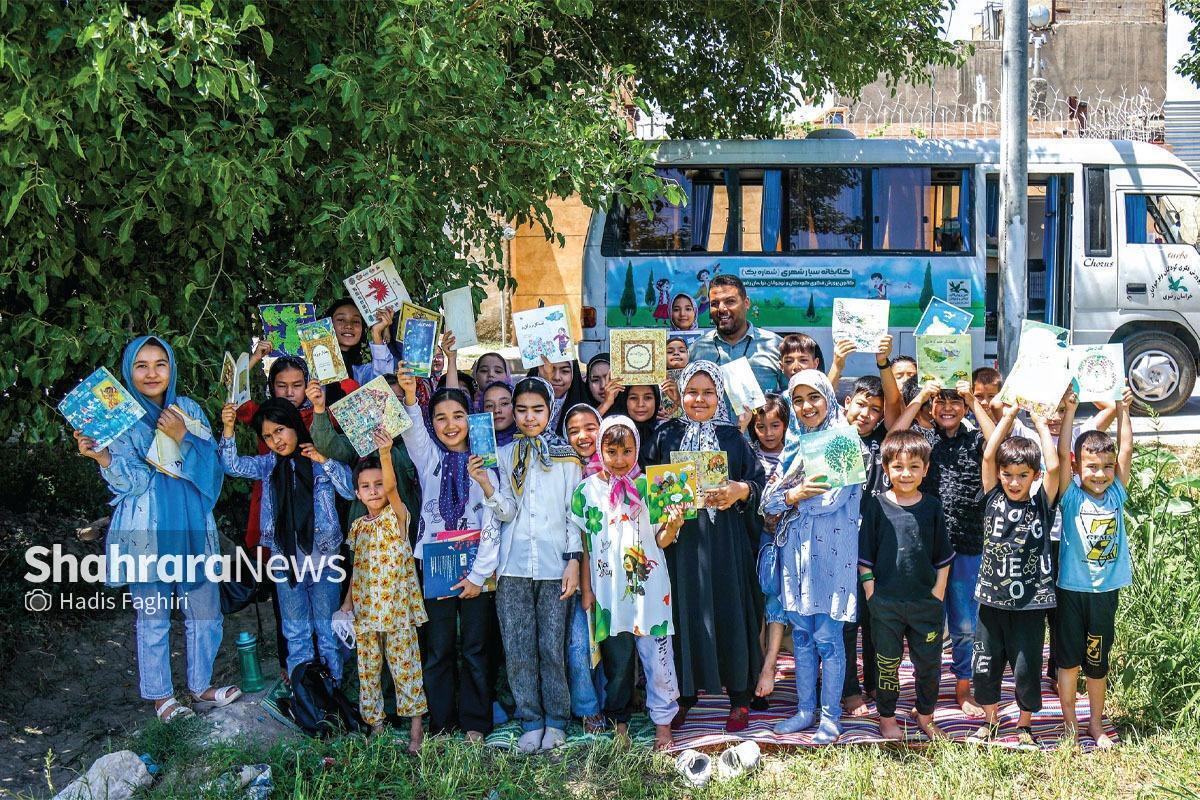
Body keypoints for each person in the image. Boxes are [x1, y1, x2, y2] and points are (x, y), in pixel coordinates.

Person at [75, 336, 235, 722]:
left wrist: (181, 437)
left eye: (160, 364)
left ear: (172, 368)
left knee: (205, 611)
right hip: (147, 531)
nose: (151, 373)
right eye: (141, 365)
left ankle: (200, 687)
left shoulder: (190, 409)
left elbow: (214, 472)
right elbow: (129, 482)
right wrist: (103, 456)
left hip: (192, 524)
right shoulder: (120, 419)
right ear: (129, 372)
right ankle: (162, 697)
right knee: (154, 617)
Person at [644, 361, 766, 733]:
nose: (699, 399)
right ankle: (683, 695)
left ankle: (741, 697)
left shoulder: (733, 437)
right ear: (680, 394)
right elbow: (651, 487)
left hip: (726, 541)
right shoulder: (665, 435)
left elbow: (757, 482)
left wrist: (738, 490)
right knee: (685, 612)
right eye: (692, 391)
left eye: (708, 392)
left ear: (719, 396)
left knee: (731, 609)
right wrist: (668, 508)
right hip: (681, 543)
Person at [478, 376, 583, 753]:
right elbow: (506, 511)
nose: (528, 417)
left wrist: (573, 561)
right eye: (521, 410)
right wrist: (488, 487)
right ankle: (530, 719)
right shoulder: (505, 456)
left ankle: (557, 718)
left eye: (537, 409)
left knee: (552, 645)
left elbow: (575, 514)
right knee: (518, 646)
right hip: (514, 566)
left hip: (556, 565)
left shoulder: (568, 458)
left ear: (550, 409)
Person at [395, 372, 502, 741]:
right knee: (439, 649)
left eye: (457, 416)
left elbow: (493, 520)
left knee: (475, 647)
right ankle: (441, 722)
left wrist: (478, 575)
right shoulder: (429, 459)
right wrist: (410, 395)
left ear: (470, 419)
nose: (449, 425)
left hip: (478, 567)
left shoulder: (485, 462)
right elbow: (412, 432)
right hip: (437, 564)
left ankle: (475, 721)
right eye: (440, 417)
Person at [219, 398, 354, 688]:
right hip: (284, 561)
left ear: (294, 425)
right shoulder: (268, 465)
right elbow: (231, 465)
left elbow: (349, 490)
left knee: (326, 630)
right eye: (268, 436)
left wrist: (326, 462)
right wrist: (228, 428)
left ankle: (334, 690)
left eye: (280, 430)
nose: (275, 440)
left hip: (324, 559)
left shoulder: (317, 459)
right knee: (296, 632)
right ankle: (304, 694)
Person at [761, 371, 862, 743]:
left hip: (831, 555)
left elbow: (829, 501)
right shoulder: (792, 446)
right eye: (798, 400)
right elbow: (766, 502)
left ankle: (830, 717)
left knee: (828, 637)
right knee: (801, 635)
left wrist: (792, 496)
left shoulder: (846, 442)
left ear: (828, 398)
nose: (806, 407)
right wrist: (793, 494)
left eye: (814, 397)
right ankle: (805, 711)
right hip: (795, 556)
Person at [573, 416, 683, 750]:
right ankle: (619, 720)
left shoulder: (655, 486)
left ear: (636, 449)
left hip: (650, 593)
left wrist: (675, 524)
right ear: (600, 450)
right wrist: (588, 589)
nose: (619, 459)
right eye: (611, 451)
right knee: (617, 663)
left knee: (658, 660)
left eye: (626, 451)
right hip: (609, 595)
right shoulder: (586, 491)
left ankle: (663, 723)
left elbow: (662, 540)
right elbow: (585, 545)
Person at [895, 379, 996, 715]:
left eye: (956, 402)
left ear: (966, 407)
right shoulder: (923, 441)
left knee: (966, 624)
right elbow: (894, 437)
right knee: (927, 623)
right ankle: (928, 689)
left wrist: (973, 398)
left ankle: (963, 688)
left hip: (969, 544)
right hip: (929, 548)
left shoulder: (976, 440)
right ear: (931, 408)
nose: (948, 407)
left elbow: (998, 440)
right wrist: (921, 396)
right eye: (941, 401)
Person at [967, 403, 1060, 746]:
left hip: (1030, 605)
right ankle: (989, 722)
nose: (1014, 481)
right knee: (986, 664)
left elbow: (1053, 465)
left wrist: (1037, 418)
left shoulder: (1041, 504)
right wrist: (1007, 415)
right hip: (991, 600)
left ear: (1033, 476)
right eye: (1009, 474)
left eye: (1023, 475)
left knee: (1026, 667)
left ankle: (1024, 726)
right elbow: (989, 456)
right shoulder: (992, 497)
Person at [858, 430, 954, 741]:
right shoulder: (876, 506)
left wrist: (937, 595)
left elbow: (943, 558)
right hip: (885, 604)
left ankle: (925, 715)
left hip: (925, 605)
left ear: (926, 469)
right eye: (898, 467)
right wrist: (872, 593)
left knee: (928, 664)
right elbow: (865, 558)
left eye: (914, 466)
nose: (906, 474)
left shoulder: (932, 507)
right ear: (885, 469)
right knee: (887, 664)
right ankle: (887, 717)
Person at [1054, 386, 1134, 748]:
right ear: (1077, 466)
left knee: (1096, 662)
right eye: (1091, 467)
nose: (1099, 474)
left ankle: (1096, 723)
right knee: (1068, 662)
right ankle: (1070, 721)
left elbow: (1127, 450)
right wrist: (1070, 411)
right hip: (1071, 590)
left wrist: (1123, 409)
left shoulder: (1117, 491)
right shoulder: (1070, 494)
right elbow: (1061, 451)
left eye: (1106, 467)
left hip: (1104, 594)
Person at [340, 431, 428, 749]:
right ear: (358, 493)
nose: (374, 491)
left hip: (397, 609)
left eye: (378, 485)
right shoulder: (358, 526)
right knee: (368, 670)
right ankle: (376, 726)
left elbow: (391, 488)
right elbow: (357, 569)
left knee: (406, 666)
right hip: (365, 611)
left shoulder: (396, 517)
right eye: (366, 487)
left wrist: (386, 453)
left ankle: (416, 729)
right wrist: (346, 605)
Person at [837, 374, 891, 717]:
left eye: (875, 409)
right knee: (846, 620)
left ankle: (874, 680)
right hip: (841, 545)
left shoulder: (887, 441)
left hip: (880, 547)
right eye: (861, 404)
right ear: (845, 405)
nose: (866, 414)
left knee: (877, 618)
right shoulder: (835, 438)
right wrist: (839, 361)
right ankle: (848, 690)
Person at [559, 403, 607, 730]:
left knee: (608, 639)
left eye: (591, 427)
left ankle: (609, 701)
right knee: (579, 639)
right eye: (574, 430)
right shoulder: (563, 468)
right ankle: (588, 707)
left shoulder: (619, 467)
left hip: (614, 568)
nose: (583, 436)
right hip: (578, 566)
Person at [689, 275, 784, 395]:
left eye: (730, 301)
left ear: (746, 303)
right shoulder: (697, 350)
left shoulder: (775, 345)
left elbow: (792, 397)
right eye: (714, 303)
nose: (721, 309)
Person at [325, 298, 397, 385]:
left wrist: (376, 333)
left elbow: (385, 383)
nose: (348, 326)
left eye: (355, 321)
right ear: (328, 324)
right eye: (341, 320)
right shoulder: (312, 365)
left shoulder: (361, 374)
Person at [613, 383, 662, 466]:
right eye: (633, 398)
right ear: (624, 400)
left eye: (648, 398)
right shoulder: (613, 433)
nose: (640, 404)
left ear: (656, 400)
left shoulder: (667, 433)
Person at [659, 336, 691, 420]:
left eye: (682, 351)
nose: (676, 353)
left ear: (688, 354)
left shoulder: (696, 379)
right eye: (670, 352)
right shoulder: (656, 381)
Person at [481, 380, 519, 447]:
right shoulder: (476, 446)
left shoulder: (531, 441)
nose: (497, 410)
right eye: (489, 405)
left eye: (504, 403)